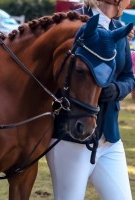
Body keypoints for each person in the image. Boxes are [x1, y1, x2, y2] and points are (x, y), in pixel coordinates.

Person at [46, 0, 135, 199]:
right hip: (72, 136)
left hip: (109, 139)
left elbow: (129, 76)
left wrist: (117, 89)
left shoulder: (119, 30)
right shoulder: (72, 23)